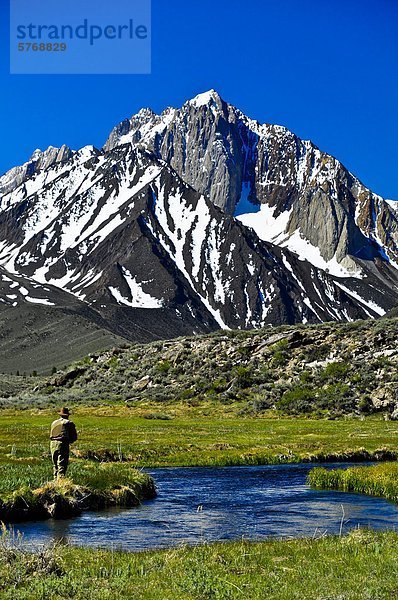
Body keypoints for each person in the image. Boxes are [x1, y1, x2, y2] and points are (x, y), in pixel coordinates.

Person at [50, 407, 78, 479]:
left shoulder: (54, 422)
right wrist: (70, 441)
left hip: (52, 444)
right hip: (62, 443)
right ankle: (61, 481)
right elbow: (74, 436)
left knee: (55, 463)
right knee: (62, 463)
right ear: (67, 415)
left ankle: (55, 479)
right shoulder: (69, 423)